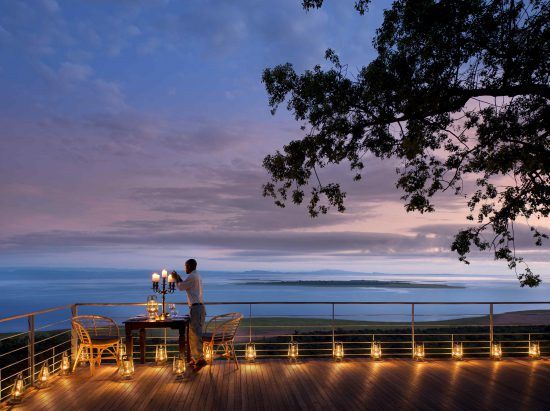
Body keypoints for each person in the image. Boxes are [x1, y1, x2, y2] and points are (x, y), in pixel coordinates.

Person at [171, 259, 207, 373]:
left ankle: (200, 360)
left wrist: (176, 277)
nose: (185, 268)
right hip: (197, 308)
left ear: (190, 266)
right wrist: (178, 278)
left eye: (186, 266)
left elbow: (181, 287)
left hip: (196, 308)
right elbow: (184, 285)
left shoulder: (192, 276)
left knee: (196, 335)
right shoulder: (196, 276)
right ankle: (195, 359)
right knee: (192, 335)